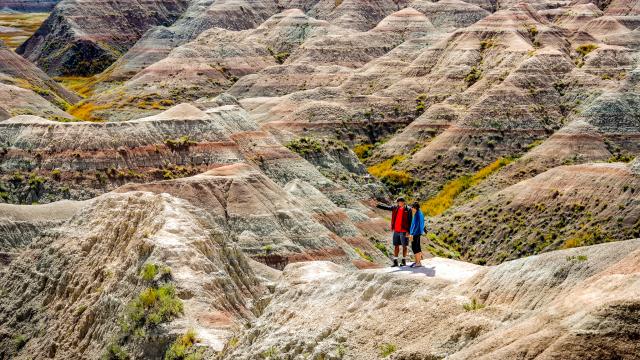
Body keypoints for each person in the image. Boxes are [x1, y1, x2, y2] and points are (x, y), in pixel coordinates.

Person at [375, 197, 412, 267]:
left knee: (404, 246)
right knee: (396, 246)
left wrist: (409, 231)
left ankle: (404, 260)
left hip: (404, 231)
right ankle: (395, 261)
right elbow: (387, 208)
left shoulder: (408, 209)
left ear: (403, 202)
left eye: (399, 202)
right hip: (396, 230)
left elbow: (410, 221)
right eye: (397, 202)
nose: (398, 203)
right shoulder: (395, 207)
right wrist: (378, 205)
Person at [408, 202, 425, 268]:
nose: (411, 209)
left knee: (415, 248)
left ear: (415, 208)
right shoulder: (420, 213)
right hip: (419, 232)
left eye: (412, 207)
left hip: (415, 233)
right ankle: (417, 261)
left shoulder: (417, 215)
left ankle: (418, 262)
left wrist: (411, 234)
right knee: (417, 247)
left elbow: (416, 225)